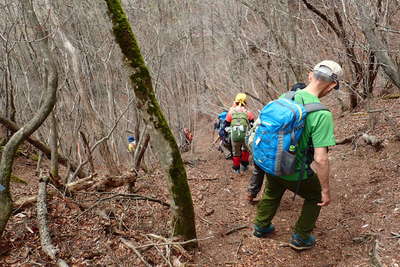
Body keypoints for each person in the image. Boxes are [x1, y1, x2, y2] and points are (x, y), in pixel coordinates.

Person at [252, 60, 343, 251]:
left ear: (310, 75)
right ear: (332, 85)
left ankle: (261, 227)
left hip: (272, 162)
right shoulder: (322, 114)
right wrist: (325, 190)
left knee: (271, 191)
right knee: (315, 195)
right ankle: (301, 237)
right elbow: (320, 158)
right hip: (294, 170)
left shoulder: (285, 97)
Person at [246, 82, 307, 202]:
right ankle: (267, 196)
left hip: (257, 143)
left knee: (258, 169)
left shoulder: (274, 105)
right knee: (270, 170)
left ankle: (251, 194)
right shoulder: (296, 112)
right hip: (273, 149)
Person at [225, 93, 255, 173]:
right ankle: (244, 166)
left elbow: (226, 126)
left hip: (234, 136)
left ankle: (236, 169)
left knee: (236, 152)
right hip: (245, 136)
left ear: (236, 101)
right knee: (245, 149)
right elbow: (252, 125)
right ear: (245, 102)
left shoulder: (231, 112)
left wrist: (231, 132)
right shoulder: (248, 112)